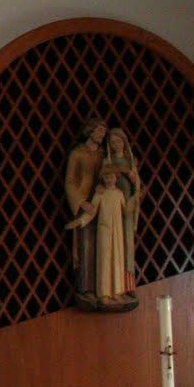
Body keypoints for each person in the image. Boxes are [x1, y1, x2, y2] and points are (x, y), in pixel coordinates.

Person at [63, 119, 106, 300]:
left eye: (104, 132)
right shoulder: (78, 153)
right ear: (90, 131)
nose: (102, 135)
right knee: (86, 246)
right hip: (84, 204)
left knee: (104, 245)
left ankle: (104, 286)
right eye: (99, 131)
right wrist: (81, 202)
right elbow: (70, 182)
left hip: (102, 203)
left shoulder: (104, 154)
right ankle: (87, 288)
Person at [90, 165, 141, 305]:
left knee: (117, 260)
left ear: (116, 178)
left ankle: (118, 291)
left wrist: (135, 198)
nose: (108, 179)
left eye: (111, 176)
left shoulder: (119, 194)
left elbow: (126, 210)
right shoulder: (100, 194)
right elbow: (92, 211)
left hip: (117, 232)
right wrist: (80, 221)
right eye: (106, 177)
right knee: (105, 260)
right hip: (104, 231)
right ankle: (104, 293)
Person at [103, 127, 141, 290]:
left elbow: (137, 184)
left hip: (127, 204)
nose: (116, 145)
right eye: (112, 142)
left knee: (127, 242)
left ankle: (128, 284)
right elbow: (102, 180)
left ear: (124, 142)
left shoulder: (131, 161)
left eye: (118, 141)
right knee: (113, 243)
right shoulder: (108, 162)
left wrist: (135, 181)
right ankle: (114, 284)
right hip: (113, 205)